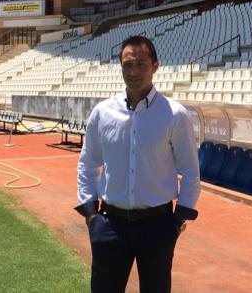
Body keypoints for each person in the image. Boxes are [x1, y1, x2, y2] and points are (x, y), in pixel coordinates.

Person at [75, 35, 201, 293]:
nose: (133, 72)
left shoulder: (175, 115)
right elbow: (88, 163)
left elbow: (190, 172)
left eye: (141, 64)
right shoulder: (102, 112)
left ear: (155, 66)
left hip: (158, 227)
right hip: (110, 224)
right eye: (127, 65)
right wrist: (91, 215)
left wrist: (177, 221)